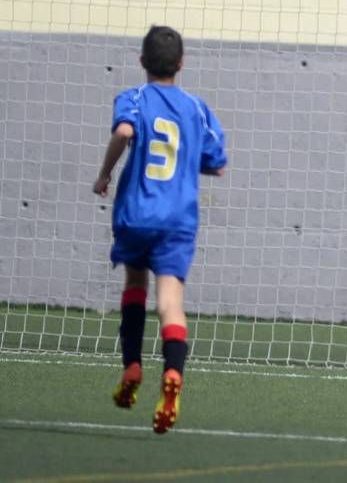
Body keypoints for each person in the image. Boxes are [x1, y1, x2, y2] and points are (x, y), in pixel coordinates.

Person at [93, 26, 227, 434]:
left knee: (135, 284)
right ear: (181, 64)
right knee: (171, 302)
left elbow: (124, 131)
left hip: (136, 215)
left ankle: (132, 366)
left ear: (141, 61)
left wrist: (104, 174)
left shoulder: (133, 98)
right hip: (177, 221)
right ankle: (173, 374)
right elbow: (217, 163)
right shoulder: (196, 108)